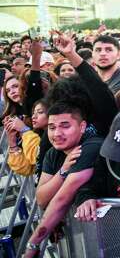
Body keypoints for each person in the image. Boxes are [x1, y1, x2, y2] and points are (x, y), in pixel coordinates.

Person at [24, 102, 103, 257]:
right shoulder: (52, 154)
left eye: (65, 126)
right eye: (52, 127)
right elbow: (41, 198)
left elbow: (62, 199)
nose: (57, 133)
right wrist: (63, 171)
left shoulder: (90, 146)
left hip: (110, 233)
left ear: (82, 127)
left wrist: (32, 245)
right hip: (81, 235)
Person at [6, 99, 48, 176]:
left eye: (40, 112)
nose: (34, 116)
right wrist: (12, 143)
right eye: (33, 113)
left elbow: (37, 157)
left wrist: (24, 130)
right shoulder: (37, 135)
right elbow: (25, 169)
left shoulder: (55, 136)